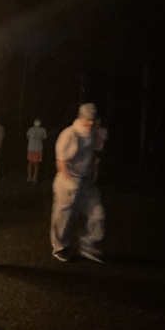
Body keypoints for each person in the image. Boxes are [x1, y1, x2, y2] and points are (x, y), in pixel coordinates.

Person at [50, 103, 105, 263]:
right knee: (63, 217)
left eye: (93, 120)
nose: (90, 123)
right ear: (81, 118)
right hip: (68, 181)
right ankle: (59, 247)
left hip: (85, 181)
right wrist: (68, 181)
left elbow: (91, 155)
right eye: (88, 119)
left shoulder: (91, 133)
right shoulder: (69, 134)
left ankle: (86, 245)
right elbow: (60, 161)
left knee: (97, 212)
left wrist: (92, 173)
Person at [26, 118, 47, 182]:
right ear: (34, 122)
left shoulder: (43, 130)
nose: (37, 122)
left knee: (36, 163)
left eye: (38, 121)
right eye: (36, 121)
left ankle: (35, 177)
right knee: (30, 163)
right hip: (31, 148)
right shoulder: (30, 129)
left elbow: (44, 138)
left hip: (38, 149)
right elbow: (27, 137)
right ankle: (29, 176)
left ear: (40, 122)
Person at [92, 119, 108, 183]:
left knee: (95, 165)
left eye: (98, 122)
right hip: (91, 149)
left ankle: (94, 180)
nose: (97, 123)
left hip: (98, 150)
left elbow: (104, 139)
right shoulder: (93, 129)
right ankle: (90, 179)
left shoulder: (103, 130)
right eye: (96, 122)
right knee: (90, 165)